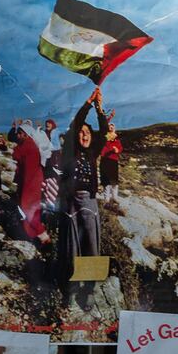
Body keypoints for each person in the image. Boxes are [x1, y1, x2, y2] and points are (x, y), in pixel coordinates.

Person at [57, 89, 109, 292]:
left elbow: (104, 132)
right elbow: (76, 123)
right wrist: (88, 102)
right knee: (72, 244)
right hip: (71, 202)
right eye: (81, 132)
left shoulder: (92, 152)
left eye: (87, 132)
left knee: (91, 242)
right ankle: (72, 287)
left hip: (89, 202)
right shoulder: (71, 150)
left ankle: (90, 288)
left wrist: (99, 107)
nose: (84, 134)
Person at [12, 123, 49, 244]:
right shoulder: (29, 144)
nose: (17, 135)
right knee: (33, 209)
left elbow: (17, 156)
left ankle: (43, 235)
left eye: (19, 133)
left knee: (27, 207)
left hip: (31, 181)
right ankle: (32, 236)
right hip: (33, 180)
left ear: (25, 134)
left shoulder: (28, 145)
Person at [99, 121, 123, 210]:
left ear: (115, 129)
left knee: (114, 181)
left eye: (112, 126)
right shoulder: (104, 138)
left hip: (113, 161)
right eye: (109, 126)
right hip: (105, 161)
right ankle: (106, 199)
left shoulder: (117, 140)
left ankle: (115, 197)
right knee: (106, 181)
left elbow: (120, 149)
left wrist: (117, 150)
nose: (111, 127)